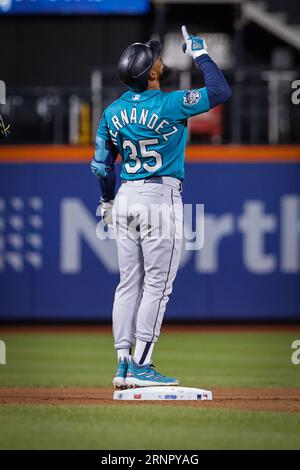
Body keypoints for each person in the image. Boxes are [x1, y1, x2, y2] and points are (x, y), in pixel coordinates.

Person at [91, 26, 231, 389]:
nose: (160, 57)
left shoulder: (111, 112)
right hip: (159, 197)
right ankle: (142, 365)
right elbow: (219, 91)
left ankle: (123, 363)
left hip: (123, 198)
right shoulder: (169, 103)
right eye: (155, 56)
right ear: (151, 72)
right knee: (157, 285)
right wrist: (199, 54)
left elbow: (102, 166)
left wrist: (106, 199)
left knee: (127, 284)